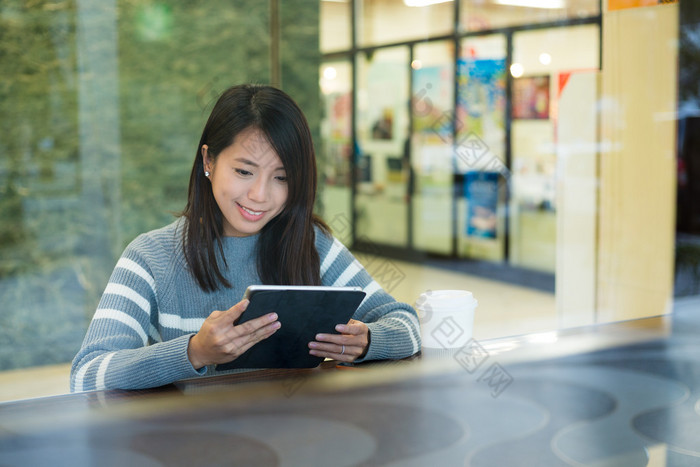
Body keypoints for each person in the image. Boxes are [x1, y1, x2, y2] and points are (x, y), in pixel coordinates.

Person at [71, 84, 421, 392]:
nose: (259, 195)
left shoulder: (311, 244)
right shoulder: (150, 257)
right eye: (243, 171)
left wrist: (367, 341)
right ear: (208, 160)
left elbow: (406, 324)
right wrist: (194, 352)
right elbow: (87, 374)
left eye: (281, 178)